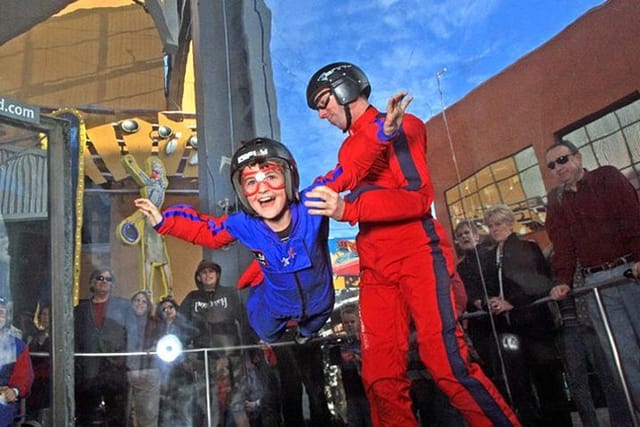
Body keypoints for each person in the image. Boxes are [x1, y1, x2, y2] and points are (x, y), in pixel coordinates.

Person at [303, 61, 520, 426]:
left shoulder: (405, 125)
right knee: (379, 376)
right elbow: (344, 176)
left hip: (418, 253)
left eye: (324, 102)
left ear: (346, 91)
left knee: (447, 363)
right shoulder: (351, 147)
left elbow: (418, 198)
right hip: (375, 265)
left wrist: (348, 208)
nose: (322, 114)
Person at [545, 139, 640, 415]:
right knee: (623, 356)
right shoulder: (556, 201)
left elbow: (632, 217)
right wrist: (562, 280)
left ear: (578, 157)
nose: (559, 168)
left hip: (629, 273)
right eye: (552, 165)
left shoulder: (606, 177)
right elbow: (562, 246)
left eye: (563, 160)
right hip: (597, 283)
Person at [482, 205, 571, 426]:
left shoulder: (527, 247)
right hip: (509, 329)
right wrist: (489, 301)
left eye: (499, 224)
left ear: (509, 223)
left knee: (547, 380)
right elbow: (490, 288)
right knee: (519, 383)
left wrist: (512, 302)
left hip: (534, 325)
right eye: (491, 225)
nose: (495, 229)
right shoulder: (491, 257)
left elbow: (539, 283)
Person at [178, 260, 249, 427]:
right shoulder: (192, 298)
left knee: (237, 405)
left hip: (231, 360)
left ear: (217, 275)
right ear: (199, 277)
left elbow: (245, 321)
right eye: (204, 273)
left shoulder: (230, 294)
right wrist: (182, 352)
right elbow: (180, 326)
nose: (208, 275)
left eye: (211, 272)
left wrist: (251, 352)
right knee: (209, 407)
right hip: (203, 360)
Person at [74, 267, 131, 425]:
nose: (104, 282)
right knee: (87, 417)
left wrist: (125, 358)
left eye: (108, 279)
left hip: (115, 370)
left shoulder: (123, 307)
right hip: (88, 372)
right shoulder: (80, 310)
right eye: (100, 278)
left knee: (117, 417)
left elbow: (131, 333)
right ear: (92, 283)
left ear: (112, 285)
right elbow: (74, 338)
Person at [156, 296, 197, 427]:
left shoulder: (186, 327)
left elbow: (193, 345)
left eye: (170, 307)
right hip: (166, 376)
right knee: (167, 414)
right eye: (164, 309)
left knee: (185, 412)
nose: (167, 310)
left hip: (184, 375)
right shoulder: (158, 330)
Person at [125, 290, 162, 427]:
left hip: (149, 370)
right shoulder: (123, 322)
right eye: (137, 300)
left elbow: (162, 342)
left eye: (144, 301)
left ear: (148, 306)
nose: (140, 304)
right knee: (125, 414)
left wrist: (155, 348)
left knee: (148, 413)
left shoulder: (156, 323)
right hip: (127, 372)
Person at [333, 303, 371, 427]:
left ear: (359, 321)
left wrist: (357, 357)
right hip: (350, 389)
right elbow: (335, 361)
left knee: (369, 417)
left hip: (366, 388)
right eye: (346, 323)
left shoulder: (366, 340)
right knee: (354, 419)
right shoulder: (341, 342)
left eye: (352, 322)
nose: (349, 325)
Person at [0, 296, 33, 427]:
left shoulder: (17, 346)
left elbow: (24, 377)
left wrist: (14, 390)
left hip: (3, 403)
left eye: (1, 312)